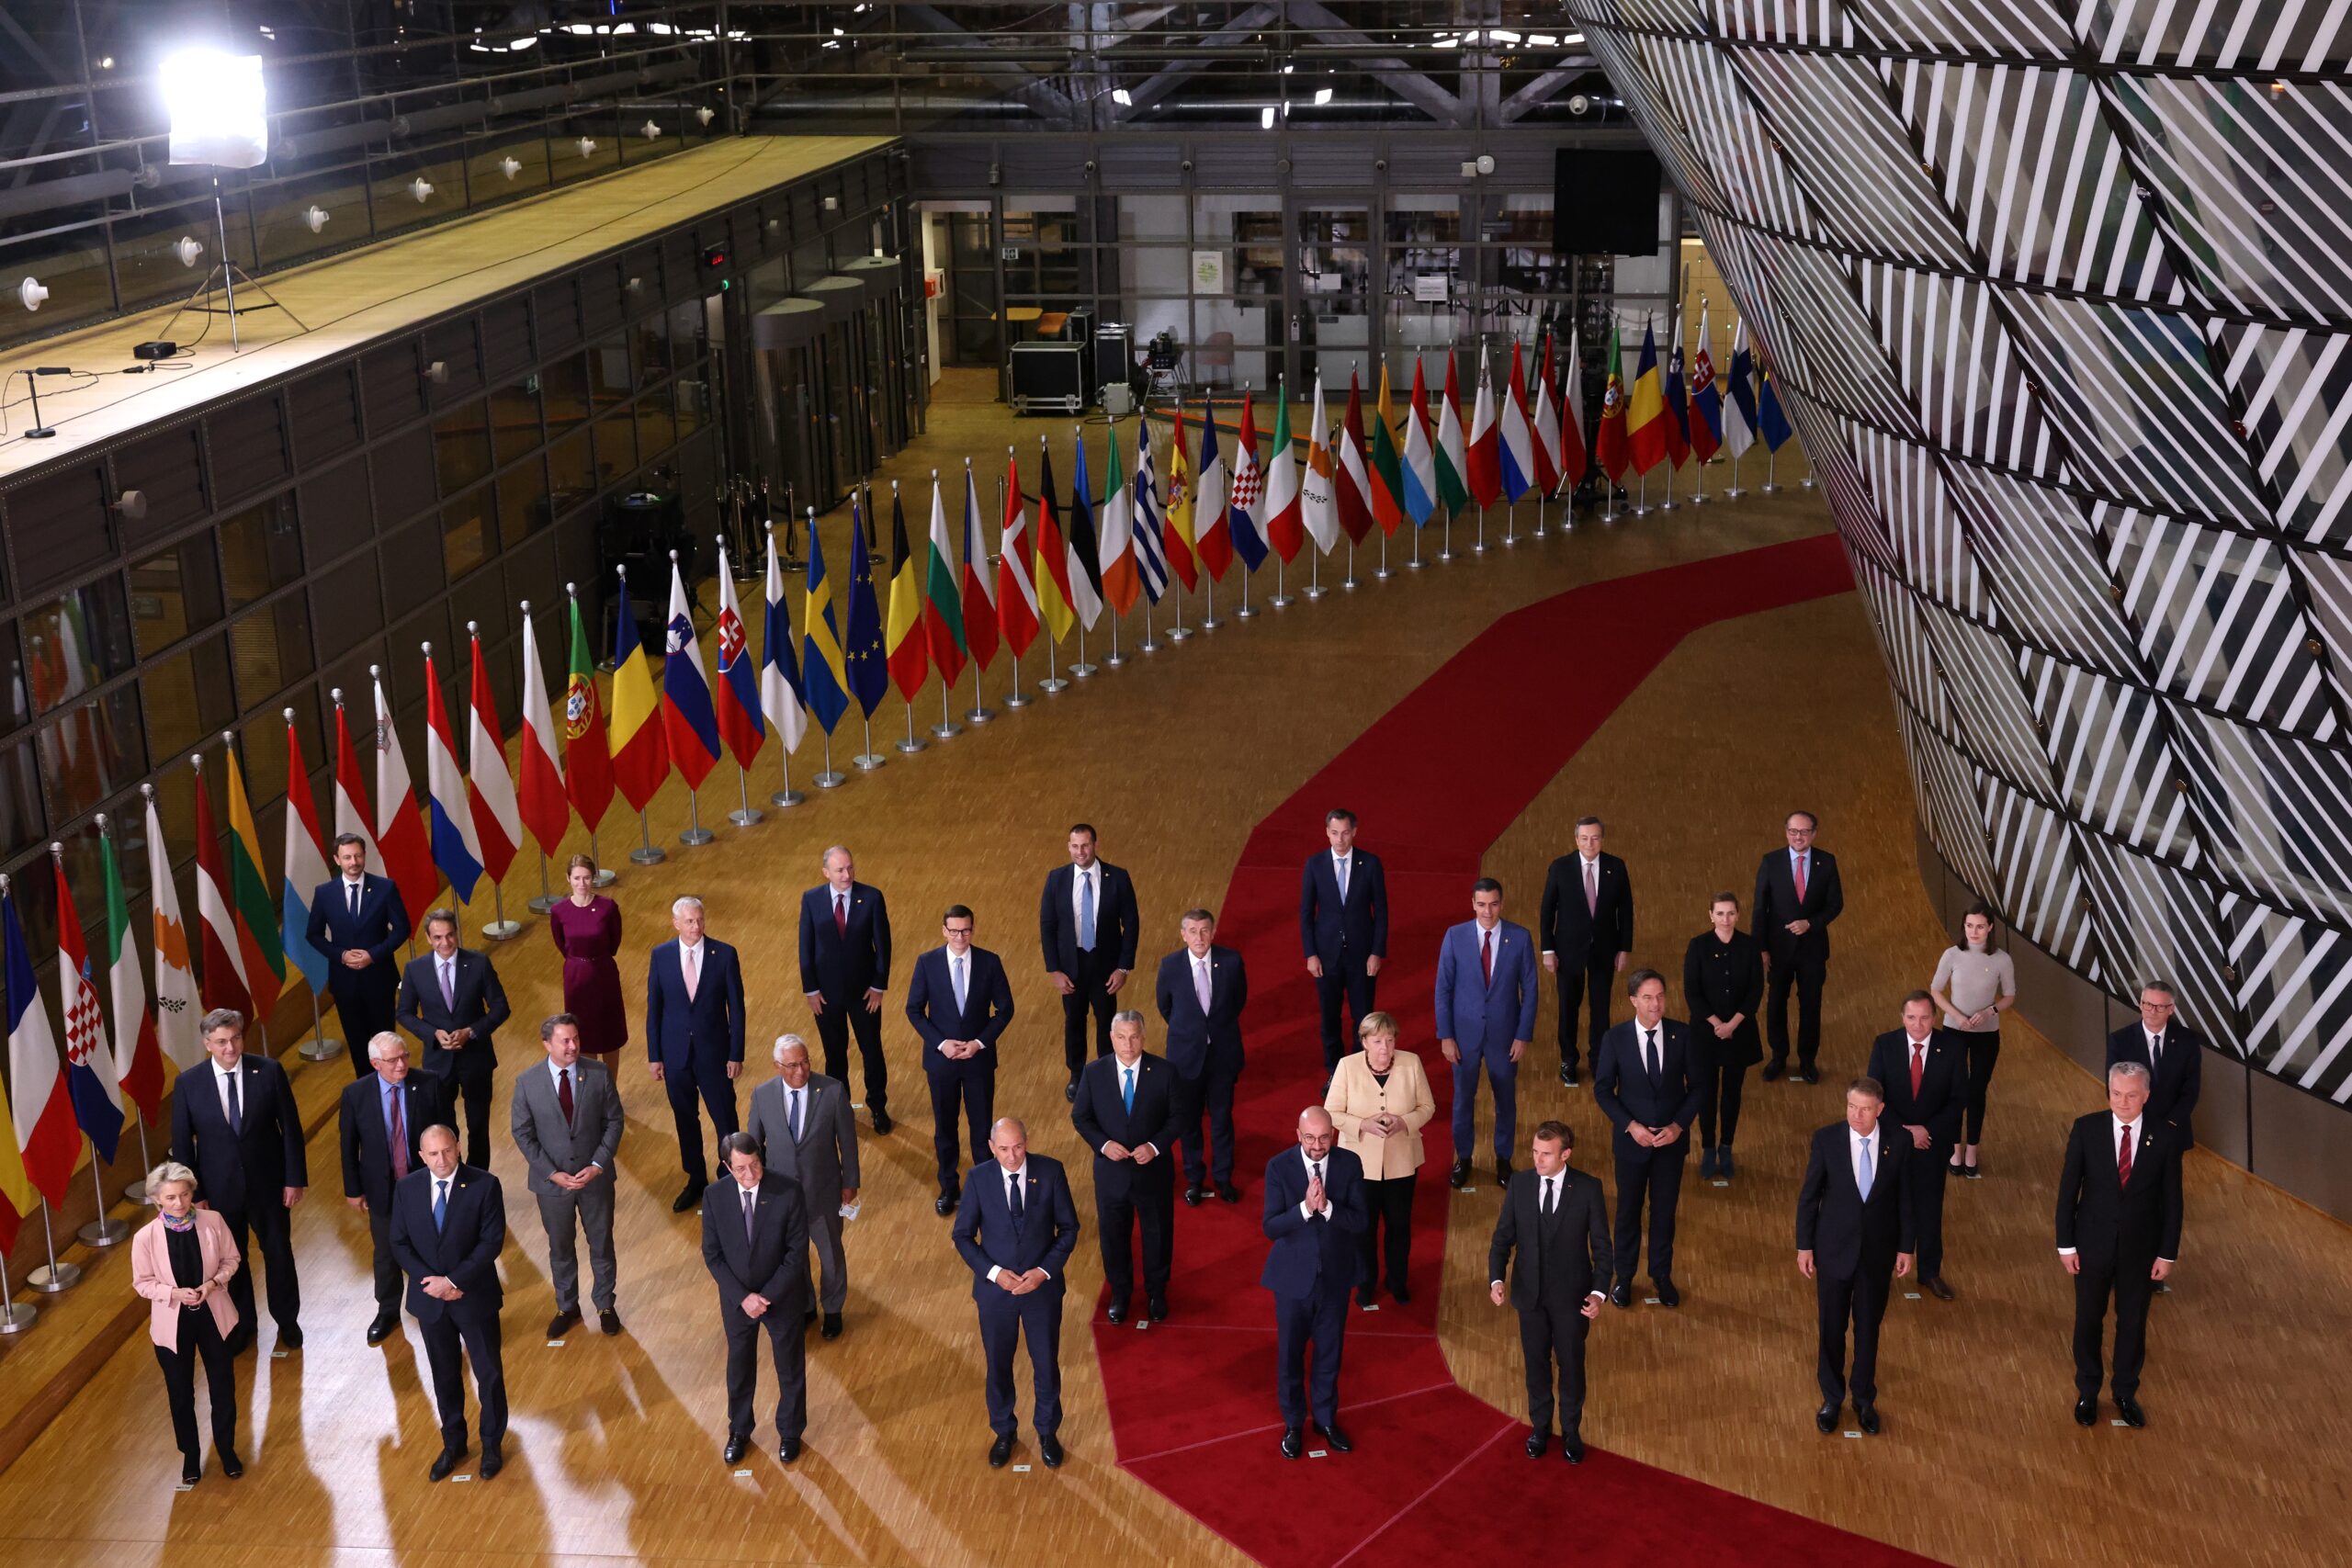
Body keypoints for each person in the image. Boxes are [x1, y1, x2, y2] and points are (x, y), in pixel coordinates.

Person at [168, 1008, 306, 1353]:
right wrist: (193, 1195)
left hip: (270, 1186)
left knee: (278, 1253)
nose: (230, 1047)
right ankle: (244, 1325)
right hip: (218, 1192)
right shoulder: (188, 1084)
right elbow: (184, 1146)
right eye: (221, 1042)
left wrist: (294, 1179)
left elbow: (290, 1129)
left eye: (236, 1038)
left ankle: (287, 1321)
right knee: (232, 1261)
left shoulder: (269, 1071)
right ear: (207, 1044)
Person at [2058, 1062, 2182, 1428]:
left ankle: (2125, 1392)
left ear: (2146, 1096)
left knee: (2132, 1323)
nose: (2122, 1102)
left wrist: (2166, 1253)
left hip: (2141, 1252)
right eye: (2116, 1094)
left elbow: (2172, 1201)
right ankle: (2088, 1391)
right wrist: (2066, 1246)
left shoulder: (2164, 1136)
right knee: (2087, 1321)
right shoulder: (2087, 1129)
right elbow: (2068, 1192)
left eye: (2131, 1095)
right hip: (2091, 1246)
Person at [953, 1119, 1080, 1470]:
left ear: (1027, 1141)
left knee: (1046, 1364)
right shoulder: (978, 1179)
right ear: (992, 1148)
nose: (1012, 1157)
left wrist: (1042, 1272)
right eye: (1004, 1149)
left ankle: (1047, 1431)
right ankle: (1004, 1431)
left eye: (1019, 1147)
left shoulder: (1051, 1172)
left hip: (1042, 1291)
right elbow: (962, 1236)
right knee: (998, 1365)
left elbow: (1069, 1229)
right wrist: (995, 1274)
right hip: (997, 1296)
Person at [1795, 1078, 1915, 1436]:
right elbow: (1809, 1197)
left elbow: (1906, 1198)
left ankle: (1863, 1397)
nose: (1856, 1115)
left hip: (1876, 1255)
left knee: (1867, 1330)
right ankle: (1832, 1397)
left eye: (1864, 1109)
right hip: (1833, 1252)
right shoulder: (1827, 1139)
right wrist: (1804, 1246)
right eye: (1851, 1106)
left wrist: (1906, 1246)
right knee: (1831, 1328)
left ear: (1880, 1109)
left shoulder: (1900, 1141)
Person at [389, 1125, 508, 1482]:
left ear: (458, 1147)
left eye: (447, 1151)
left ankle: (491, 1444)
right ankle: (454, 1444)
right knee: (444, 1376)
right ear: (421, 1156)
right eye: (433, 1154)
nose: (442, 1160)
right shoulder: (407, 1188)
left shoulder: (485, 1184)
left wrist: (454, 1282)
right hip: (431, 1302)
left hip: (474, 1298)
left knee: (488, 1375)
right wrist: (434, 1284)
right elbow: (398, 1242)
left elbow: (491, 1242)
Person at [1487, 1122, 1610, 1462]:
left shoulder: (1588, 1189)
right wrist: (1496, 1279)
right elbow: (1502, 1238)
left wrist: (1599, 1293)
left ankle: (1571, 1430)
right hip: (1530, 1298)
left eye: (1546, 1154)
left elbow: (1602, 1247)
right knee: (1536, 1365)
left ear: (1565, 1154)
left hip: (1573, 1301)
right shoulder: (1520, 1184)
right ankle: (1541, 1426)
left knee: (1571, 1365)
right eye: (1535, 1152)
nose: (1538, 1160)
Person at [510, 1013, 624, 1340]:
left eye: (576, 1039)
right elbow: (522, 1132)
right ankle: (567, 1305)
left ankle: (605, 1304)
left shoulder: (599, 1074)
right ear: (547, 1043)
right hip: (552, 1185)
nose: (573, 1046)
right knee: (560, 1247)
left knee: (601, 1243)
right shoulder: (527, 1082)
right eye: (565, 1040)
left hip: (595, 1180)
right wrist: (552, 1173)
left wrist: (598, 1164)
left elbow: (614, 1122)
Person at [702, 1131, 812, 1464]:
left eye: (755, 1165)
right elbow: (712, 1254)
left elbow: (796, 1253)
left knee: (789, 1366)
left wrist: (765, 1296)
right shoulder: (714, 1196)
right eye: (740, 1169)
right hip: (738, 1302)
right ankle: (739, 1430)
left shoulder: (788, 1190)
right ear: (726, 1166)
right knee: (739, 1365)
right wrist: (743, 1297)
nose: (750, 1175)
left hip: (781, 1297)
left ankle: (791, 1432)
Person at [1262, 1106, 1367, 1458]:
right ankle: (1293, 1423)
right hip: (1293, 1282)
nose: (1317, 1145)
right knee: (1290, 1356)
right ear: (1298, 1135)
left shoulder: (1349, 1164)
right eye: (1310, 1138)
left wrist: (1329, 1209)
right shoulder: (1278, 1167)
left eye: (1324, 1138)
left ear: (1333, 1134)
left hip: (1335, 1280)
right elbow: (1271, 1227)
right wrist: (1305, 1209)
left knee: (1329, 1355)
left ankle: (1324, 1419)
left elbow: (1360, 1221)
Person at [1590, 971, 1700, 1308]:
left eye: (1661, 996)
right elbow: (1604, 1090)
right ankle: (1623, 1278)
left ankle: (1661, 1276)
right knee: (1627, 1212)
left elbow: (1698, 1087)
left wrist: (1679, 1126)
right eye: (1649, 998)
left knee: (1664, 1212)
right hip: (1631, 1144)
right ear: (1633, 1000)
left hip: (1670, 1144)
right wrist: (1631, 1126)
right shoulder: (1615, 1038)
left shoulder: (1683, 1034)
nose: (1656, 1004)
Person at [130, 1161, 243, 1485]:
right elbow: (142, 1283)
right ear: (157, 1200)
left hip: (213, 1316)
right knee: (180, 1393)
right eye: (170, 1198)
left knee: (223, 1387)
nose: (179, 1203)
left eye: (184, 1194)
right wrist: (175, 1293)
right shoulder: (145, 1238)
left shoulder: (213, 1221)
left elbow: (231, 1259)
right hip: (173, 1323)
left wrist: (213, 1285)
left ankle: (226, 1449)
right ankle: (191, 1455)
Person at [338, 1032, 449, 1346]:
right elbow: (348, 1146)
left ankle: (435, 1301)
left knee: (434, 1246)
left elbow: (448, 1135)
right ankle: (388, 1311)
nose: (401, 1064)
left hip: (427, 1185)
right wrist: (353, 1189)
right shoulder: (355, 1094)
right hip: (382, 1189)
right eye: (393, 1060)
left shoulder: (429, 1083)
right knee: (386, 1253)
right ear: (375, 1063)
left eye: (405, 1057)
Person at [745, 1036, 859, 1338]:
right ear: (777, 1066)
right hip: (782, 1198)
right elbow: (754, 1145)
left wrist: (851, 1182)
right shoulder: (762, 1095)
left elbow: (847, 1142)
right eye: (793, 1065)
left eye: (805, 1061)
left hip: (824, 1192)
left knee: (831, 1255)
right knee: (794, 1256)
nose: (801, 1070)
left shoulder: (832, 1091)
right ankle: (807, 1304)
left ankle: (833, 1309)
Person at [906, 905, 1015, 1215]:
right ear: (944, 930)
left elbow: (1005, 1009)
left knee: (982, 1130)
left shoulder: (989, 962)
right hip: (942, 1063)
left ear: (973, 929)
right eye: (954, 931)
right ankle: (949, 1185)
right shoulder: (927, 963)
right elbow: (914, 1009)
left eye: (965, 930)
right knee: (945, 1128)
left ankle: (984, 1189)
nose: (960, 936)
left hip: (978, 1061)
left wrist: (980, 1043)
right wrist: (941, 1044)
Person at [1071, 1011, 1179, 1324]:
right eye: (1121, 1037)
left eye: (1134, 1037)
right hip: (1111, 1174)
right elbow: (1081, 1117)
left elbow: (1179, 1117)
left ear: (1143, 1037)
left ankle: (1157, 1292)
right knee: (1113, 1237)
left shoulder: (1165, 1072)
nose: (1128, 1044)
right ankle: (1121, 1294)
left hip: (1153, 1172)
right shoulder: (1094, 1073)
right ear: (1111, 1038)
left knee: (1157, 1235)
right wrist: (1103, 1145)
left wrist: (1155, 1146)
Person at [1324, 1011, 1434, 1306]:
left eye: (1390, 1040)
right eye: (1378, 1041)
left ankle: (1397, 1281)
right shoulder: (1347, 1066)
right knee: (1363, 1229)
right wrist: (1362, 1124)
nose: (1385, 1048)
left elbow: (1427, 1107)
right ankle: (1365, 1283)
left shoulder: (1411, 1063)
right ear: (1364, 1042)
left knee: (1399, 1227)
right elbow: (1331, 1112)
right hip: (1359, 1167)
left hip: (1401, 1162)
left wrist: (1405, 1121)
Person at [1435, 877, 1538, 1189]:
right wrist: (1446, 1036)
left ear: (1502, 904)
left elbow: (1530, 990)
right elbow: (1443, 989)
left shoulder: (1520, 938)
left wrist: (1523, 1035)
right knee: (1463, 1100)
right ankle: (1464, 1158)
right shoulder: (1455, 936)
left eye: (1493, 904)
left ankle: (1503, 1161)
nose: (1488, 911)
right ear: (1473, 904)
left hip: (1505, 1037)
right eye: (1481, 904)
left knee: (1505, 1101)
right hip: (1463, 1038)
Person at [648, 895, 748, 1212]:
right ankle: (695, 1179)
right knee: (685, 1120)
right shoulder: (661, 956)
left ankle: (730, 1176)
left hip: (715, 1054)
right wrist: (655, 1055)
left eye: (700, 920)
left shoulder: (725, 954)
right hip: (675, 1055)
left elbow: (738, 1009)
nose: (696, 926)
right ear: (675, 923)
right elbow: (655, 1009)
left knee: (725, 1118)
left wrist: (736, 1053)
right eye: (689, 921)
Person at [1865, 993, 1966, 1301]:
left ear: (1934, 1018)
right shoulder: (1885, 1045)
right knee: (1886, 1208)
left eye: (1924, 1018)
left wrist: (1927, 1130)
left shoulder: (1952, 1048)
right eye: (1911, 1018)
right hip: (1893, 1143)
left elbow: (1959, 1098)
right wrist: (1907, 1132)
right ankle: (1881, 1271)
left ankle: (1930, 1273)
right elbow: (1875, 1095)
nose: (1918, 1024)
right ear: (1902, 1017)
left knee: (1929, 1209)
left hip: (1931, 1145)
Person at [395, 908, 513, 1171]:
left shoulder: (479, 963)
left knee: (479, 1125)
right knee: (444, 1127)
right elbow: (403, 1013)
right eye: (438, 938)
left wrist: (471, 1032)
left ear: (456, 933)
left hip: (476, 1060)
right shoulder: (415, 969)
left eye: (449, 936)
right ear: (428, 938)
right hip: (438, 1063)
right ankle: (453, 1176)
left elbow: (501, 1007)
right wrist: (432, 1034)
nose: (445, 943)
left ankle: (478, 1178)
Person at [1154, 908, 1249, 1206]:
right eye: (1192, 931)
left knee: (1222, 1120)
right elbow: (1165, 1007)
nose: (1199, 937)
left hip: (1222, 1056)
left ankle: (1223, 1178)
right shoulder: (1170, 966)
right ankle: (1194, 1180)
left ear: (1213, 931)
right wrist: (1192, 1031)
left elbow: (1238, 1001)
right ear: (1183, 935)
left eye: (1204, 930)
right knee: (1190, 1123)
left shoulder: (1231, 962)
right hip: (1185, 1060)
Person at [1040, 824, 1140, 1100]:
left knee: (1107, 1021)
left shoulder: (1118, 878)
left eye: (1085, 845)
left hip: (1106, 967)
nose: (1080, 851)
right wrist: (1054, 970)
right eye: (1074, 846)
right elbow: (1047, 926)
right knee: (1074, 1020)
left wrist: (1123, 967)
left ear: (1095, 844)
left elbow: (1131, 924)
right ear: (1068, 846)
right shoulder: (1056, 879)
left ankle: (1107, 1073)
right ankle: (1077, 1075)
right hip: (1071, 967)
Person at [797, 845, 894, 1132]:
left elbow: (883, 946)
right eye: (840, 869)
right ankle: (841, 1110)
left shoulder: (872, 897)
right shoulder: (811, 899)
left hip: (864, 994)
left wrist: (878, 986)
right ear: (826, 872)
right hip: (826, 996)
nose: (847, 874)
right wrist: (811, 990)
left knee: (872, 1050)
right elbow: (805, 946)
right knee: (834, 1053)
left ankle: (877, 1106)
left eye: (850, 867)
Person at [305, 832, 412, 1077]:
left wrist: (373, 955)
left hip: (379, 979)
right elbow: (314, 934)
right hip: (345, 983)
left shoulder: (385, 888)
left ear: (365, 856)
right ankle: (367, 1090)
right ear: (337, 859)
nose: (353, 862)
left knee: (386, 1042)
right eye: (347, 857)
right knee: (357, 1042)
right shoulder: (324, 893)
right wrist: (341, 955)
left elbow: (402, 928)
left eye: (358, 856)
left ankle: (391, 1083)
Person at [1539, 817, 1634, 1089]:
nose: (1590, 843)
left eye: (1595, 838)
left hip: (1605, 950)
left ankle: (1599, 1060)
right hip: (1568, 952)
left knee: (1600, 1009)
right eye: (1584, 838)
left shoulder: (1616, 867)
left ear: (1602, 839)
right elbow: (1547, 911)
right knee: (1568, 1007)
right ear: (1576, 839)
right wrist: (1548, 950)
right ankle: (1568, 1059)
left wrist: (1624, 948)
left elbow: (1626, 911)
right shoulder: (1560, 867)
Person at [1754, 810, 1842, 1083]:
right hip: (1779, 950)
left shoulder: (1826, 863)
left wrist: (1810, 924)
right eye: (1793, 831)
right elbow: (1760, 907)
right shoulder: (1771, 862)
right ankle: (1778, 1057)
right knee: (1776, 1003)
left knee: (1811, 1005)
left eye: (1804, 832)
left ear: (1814, 833)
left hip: (1812, 950)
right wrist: (1761, 948)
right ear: (1786, 832)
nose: (1798, 837)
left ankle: (1807, 1061)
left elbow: (1835, 904)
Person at [1929, 903, 2017, 1179]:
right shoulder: (1952, 955)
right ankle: (1955, 1148)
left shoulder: (2002, 959)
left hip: (1986, 1034)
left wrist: (1990, 1011)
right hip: (1954, 1031)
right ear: (1963, 926)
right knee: (1955, 1090)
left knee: (1976, 1092)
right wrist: (1956, 1015)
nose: (1974, 931)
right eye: (1969, 925)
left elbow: (2010, 996)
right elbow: (1935, 990)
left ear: (1990, 927)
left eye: (1980, 926)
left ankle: (1972, 1150)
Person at [1298, 807, 1388, 1075]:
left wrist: (1376, 952)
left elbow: (1381, 912)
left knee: (1362, 1017)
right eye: (1335, 833)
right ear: (1327, 833)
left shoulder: (1370, 864)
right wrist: (1310, 953)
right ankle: (1334, 1073)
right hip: (1326, 956)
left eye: (1346, 833)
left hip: (1362, 956)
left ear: (1355, 832)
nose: (1340, 839)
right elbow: (1306, 913)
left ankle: (1360, 1070)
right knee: (1329, 1018)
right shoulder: (1314, 865)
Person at [1682, 893, 1764, 1180]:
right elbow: (1692, 992)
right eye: (1720, 914)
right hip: (1706, 1033)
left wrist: (1733, 1025)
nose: (1725, 919)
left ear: (1738, 915)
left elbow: (1755, 991)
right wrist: (1718, 1024)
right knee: (1705, 1093)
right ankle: (1707, 1147)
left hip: (1738, 1033)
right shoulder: (1698, 946)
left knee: (1732, 1092)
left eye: (1730, 913)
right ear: (1711, 915)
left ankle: (1726, 1146)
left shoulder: (1750, 946)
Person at [548, 853, 628, 1059]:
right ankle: (590, 1087)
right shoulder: (559, 911)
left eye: (586, 878)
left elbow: (614, 941)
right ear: (568, 879)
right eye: (577, 878)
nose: (582, 883)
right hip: (576, 977)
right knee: (582, 1033)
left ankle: (610, 1088)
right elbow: (561, 943)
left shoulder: (608, 907)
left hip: (604, 972)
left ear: (593, 878)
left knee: (610, 1032)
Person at [2105, 980, 2202, 1149]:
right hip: (2135, 1129)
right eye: (2148, 1004)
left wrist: (2170, 1123)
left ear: (2171, 1009)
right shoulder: (2120, 1040)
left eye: (2160, 1007)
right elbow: (2113, 1088)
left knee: (2171, 1175)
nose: (2152, 1011)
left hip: (2173, 1130)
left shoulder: (2188, 1041)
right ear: (2140, 1004)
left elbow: (2191, 1089)